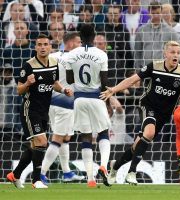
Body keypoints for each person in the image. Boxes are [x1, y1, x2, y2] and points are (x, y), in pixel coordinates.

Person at [100, 41, 180, 185]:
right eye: (172, 52)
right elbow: (133, 79)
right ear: (165, 53)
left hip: (165, 114)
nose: (176, 55)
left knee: (138, 145)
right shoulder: (154, 66)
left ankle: (115, 167)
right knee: (149, 133)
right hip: (147, 105)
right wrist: (114, 89)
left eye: (178, 53)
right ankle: (132, 172)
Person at [6, 34, 73, 189]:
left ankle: (14, 175)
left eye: (45, 44)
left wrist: (63, 89)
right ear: (35, 47)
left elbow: (54, 83)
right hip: (30, 110)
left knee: (35, 146)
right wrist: (28, 83)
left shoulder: (54, 62)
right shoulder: (29, 65)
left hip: (44, 110)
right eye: (39, 44)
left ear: (50, 47)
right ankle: (36, 180)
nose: (43, 47)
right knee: (42, 142)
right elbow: (19, 90)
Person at [65, 24, 112, 187]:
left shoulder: (71, 55)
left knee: (85, 136)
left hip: (79, 99)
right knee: (103, 132)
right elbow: (105, 82)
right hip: (97, 98)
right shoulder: (101, 55)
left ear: (80, 36)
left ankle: (90, 179)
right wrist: (108, 102)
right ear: (94, 36)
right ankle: (104, 166)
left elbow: (70, 80)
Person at [40, 32, 84, 185]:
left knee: (65, 137)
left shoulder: (53, 56)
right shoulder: (73, 59)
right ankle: (41, 173)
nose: (80, 45)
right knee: (58, 138)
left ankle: (67, 173)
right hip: (65, 103)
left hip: (51, 102)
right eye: (78, 42)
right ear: (70, 43)